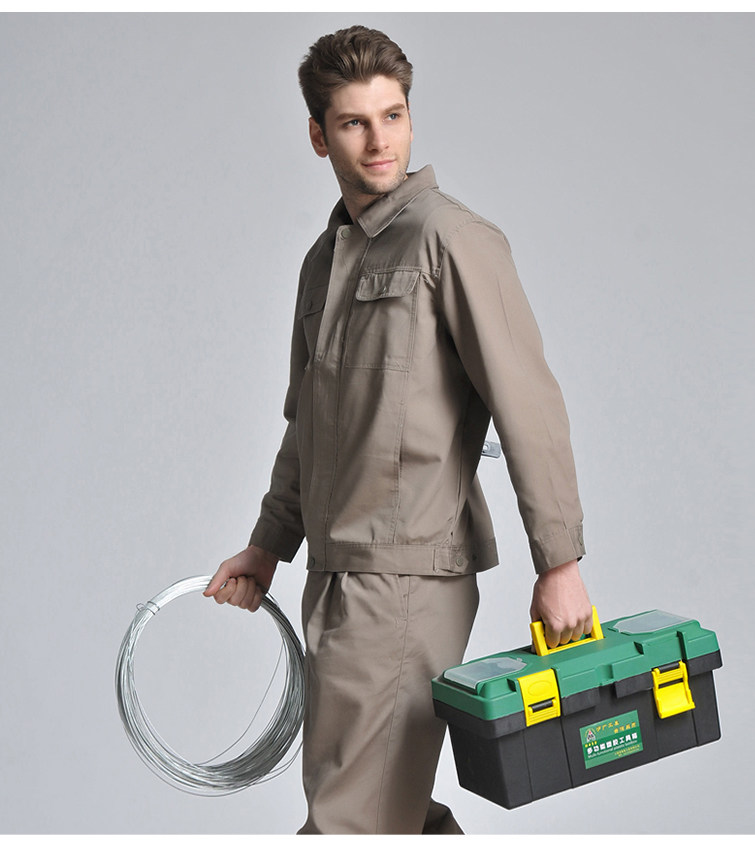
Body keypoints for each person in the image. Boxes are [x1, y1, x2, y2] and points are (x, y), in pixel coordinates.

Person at [204, 25, 593, 835]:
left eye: (393, 115)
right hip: (337, 571)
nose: (380, 140)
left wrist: (559, 563)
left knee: (351, 820)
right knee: (391, 811)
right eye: (354, 122)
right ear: (320, 136)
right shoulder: (325, 260)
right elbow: (310, 420)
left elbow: (528, 405)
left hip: (405, 578)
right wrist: (269, 544)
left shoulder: (453, 240)